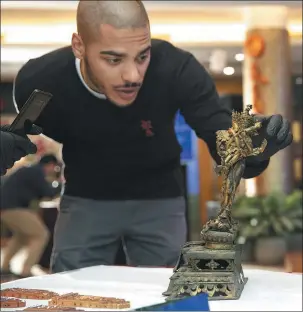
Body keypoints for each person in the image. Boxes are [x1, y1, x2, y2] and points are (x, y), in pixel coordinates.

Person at [13, 0, 293, 273]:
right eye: (113, 59)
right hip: (86, 197)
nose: (133, 75)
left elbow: (218, 132)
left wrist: (252, 146)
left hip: (160, 197)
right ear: (79, 46)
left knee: (165, 292)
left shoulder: (176, 68)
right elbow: (28, 134)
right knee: (70, 287)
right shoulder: (41, 80)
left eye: (142, 56)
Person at [0, 154, 62, 277]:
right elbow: (47, 192)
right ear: (50, 165)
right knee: (41, 234)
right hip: (14, 208)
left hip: (6, 208)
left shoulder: (29, 170)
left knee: (21, 236)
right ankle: (26, 271)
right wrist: (61, 185)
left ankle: (5, 268)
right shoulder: (37, 172)